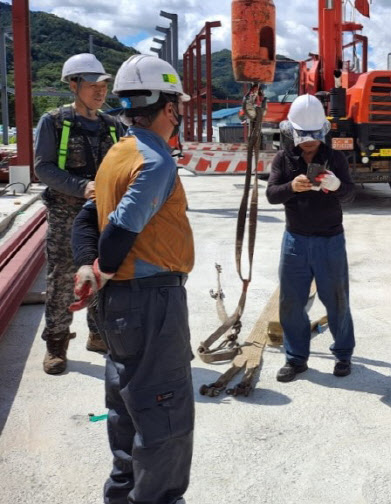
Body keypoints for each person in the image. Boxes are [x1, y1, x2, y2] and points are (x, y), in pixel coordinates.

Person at [70, 54, 194, 504]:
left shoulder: (116, 156)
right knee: (164, 414)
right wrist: (102, 264)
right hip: (152, 302)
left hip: (121, 305)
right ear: (167, 108)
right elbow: (119, 230)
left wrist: (89, 266)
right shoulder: (156, 161)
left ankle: (121, 495)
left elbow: (85, 221)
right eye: (177, 106)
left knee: (126, 409)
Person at [34, 53, 123, 374]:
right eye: (91, 85)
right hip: (66, 216)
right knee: (62, 280)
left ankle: (98, 334)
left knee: (104, 275)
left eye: (103, 85)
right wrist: (82, 186)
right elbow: (42, 167)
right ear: (73, 85)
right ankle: (56, 343)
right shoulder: (54, 121)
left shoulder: (113, 126)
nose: (100, 91)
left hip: (104, 215)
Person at [266, 94, 355, 382]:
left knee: (337, 299)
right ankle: (295, 359)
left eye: (314, 137)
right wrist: (291, 186)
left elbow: (350, 193)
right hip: (295, 240)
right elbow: (271, 195)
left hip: (330, 240)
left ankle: (343, 354)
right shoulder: (283, 158)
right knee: (291, 301)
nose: (309, 142)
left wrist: (337, 185)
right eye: (304, 137)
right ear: (292, 132)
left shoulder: (335, 157)